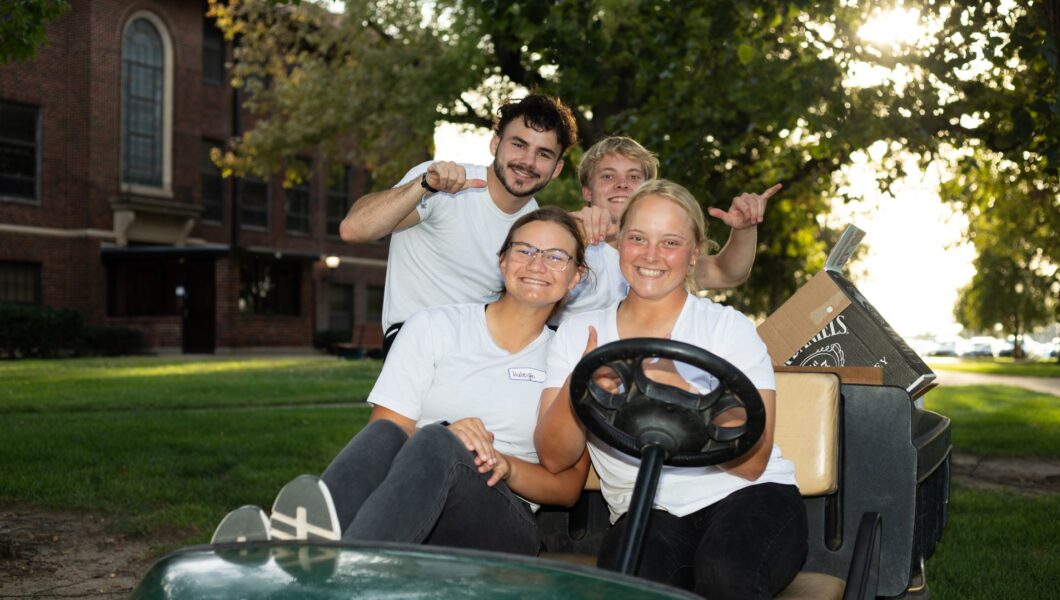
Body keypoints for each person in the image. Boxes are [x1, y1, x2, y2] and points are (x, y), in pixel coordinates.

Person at [216, 207, 591, 555]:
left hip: (501, 516)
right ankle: (316, 555)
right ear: (502, 260)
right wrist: (449, 437)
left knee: (437, 439)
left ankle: (321, 559)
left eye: (556, 256)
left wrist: (501, 463)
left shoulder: (569, 356)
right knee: (389, 434)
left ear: (576, 276)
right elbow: (383, 444)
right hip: (411, 498)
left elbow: (569, 489)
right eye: (524, 250)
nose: (537, 264)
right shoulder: (434, 326)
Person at [534, 180, 807, 599]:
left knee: (725, 572)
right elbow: (554, 458)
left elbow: (753, 462)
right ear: (619, 243)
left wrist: (678, 388)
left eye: (670, 243)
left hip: (748, 497)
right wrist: (583, 382)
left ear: (694, 252)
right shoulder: (577, 336)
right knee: (632, 584)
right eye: (638, 238)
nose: (650, 256)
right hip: (646, 510)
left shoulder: (726, 329)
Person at [339, 94, 582, 356]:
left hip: (485, 347)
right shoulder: (443, 182)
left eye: (543, 154)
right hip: (418, 343)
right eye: (519, 145)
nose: (528, 161)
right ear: (495, 144)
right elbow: (353, 230)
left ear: (556, 169)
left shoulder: (534, 225)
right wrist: (424, 187)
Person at [557, 136, 781, 322]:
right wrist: (568, 236)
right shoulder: (562, 238)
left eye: (633, 177)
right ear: (587, 191)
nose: (622, 184)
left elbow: (728, 273)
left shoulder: (664, 255)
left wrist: (744, 228)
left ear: (648, 188)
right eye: (608, 176)